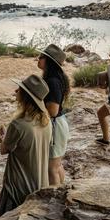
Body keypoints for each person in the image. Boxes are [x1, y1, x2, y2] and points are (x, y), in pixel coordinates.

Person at [0, 74, 52, 219]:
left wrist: (2, 138)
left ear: (26, 97)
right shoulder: (47, 122)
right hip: (39, 185)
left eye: (19, 89)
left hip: (17, 187)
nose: (15, 91)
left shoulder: (18, 124)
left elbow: (4, 150)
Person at [37, 44, 70, 186]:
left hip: (55, 126)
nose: (38, 59)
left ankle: (54, 201)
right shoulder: (55, 78)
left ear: (49, 61)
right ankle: (61, 192)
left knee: (51, 168)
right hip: (58, 123)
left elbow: (53, 111)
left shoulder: (52, 81)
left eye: (41, 57)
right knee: (56, 165)